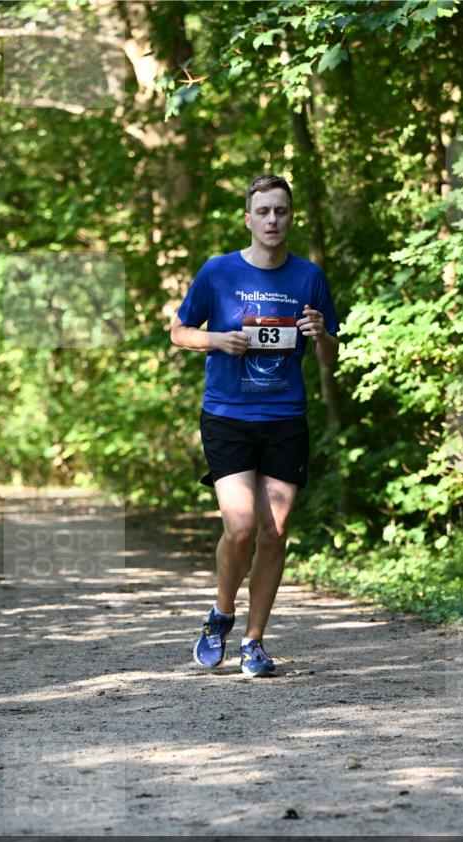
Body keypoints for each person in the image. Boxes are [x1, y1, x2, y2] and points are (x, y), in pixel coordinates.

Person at [171, 175, 339, 677]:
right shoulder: (218, 272)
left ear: (291, 218)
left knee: (275, 530)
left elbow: (330, 358)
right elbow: (179, 332)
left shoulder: (309, 277)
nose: (272, 220)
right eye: (263, 211)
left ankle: (254, 640)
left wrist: (321, 335)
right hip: (228, 415)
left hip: (286, 418)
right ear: (249, 218)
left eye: (281, 211)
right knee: (241, 528)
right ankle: (221, 613)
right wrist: (216, 341)